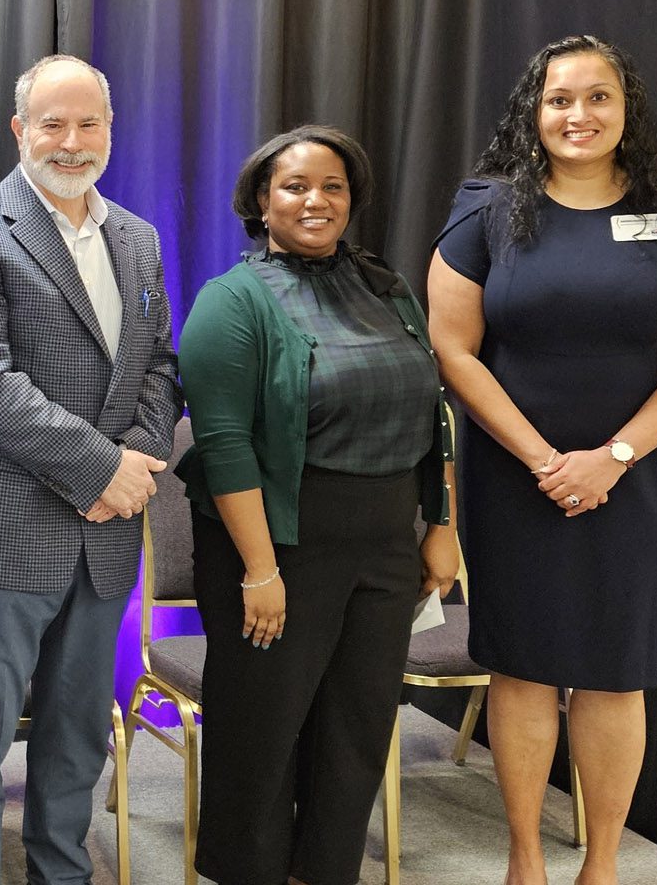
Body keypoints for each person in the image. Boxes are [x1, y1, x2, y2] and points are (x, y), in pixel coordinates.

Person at [426, 35, 657, 885]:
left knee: (612, 672)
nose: (578, 115)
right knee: (522, 667)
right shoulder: (487, 208)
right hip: (513, 475)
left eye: (598, 98)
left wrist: (613, 457)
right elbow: (454, 350)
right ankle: (525, 858)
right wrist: (542, 460)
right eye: (560, 98)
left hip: (630, 480)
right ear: (535, 111)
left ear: (627, 109)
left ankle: (601, 866)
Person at [0, 54, 181, 884]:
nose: (72, 142)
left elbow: (158, 366)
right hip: (4, 526)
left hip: (104, 538)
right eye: (53, 124)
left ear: (109, 128)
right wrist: (106, 471)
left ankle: (60, 871)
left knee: (78, 732)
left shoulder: (136, 238)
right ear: (19, 130)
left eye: (89, 124)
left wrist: (135, 463)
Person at [177, 125, 458, 885]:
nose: (316, 200)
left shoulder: (385, 287)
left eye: (332, 187)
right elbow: (226, 443)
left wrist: (441, 525)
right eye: (295, 186)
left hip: (384, 544)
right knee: (262, 736)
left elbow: (429, 410)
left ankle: (326, 871)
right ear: (261, 201)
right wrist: (261, 569)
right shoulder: (231, 300)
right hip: (279, 545)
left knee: (356, 730)